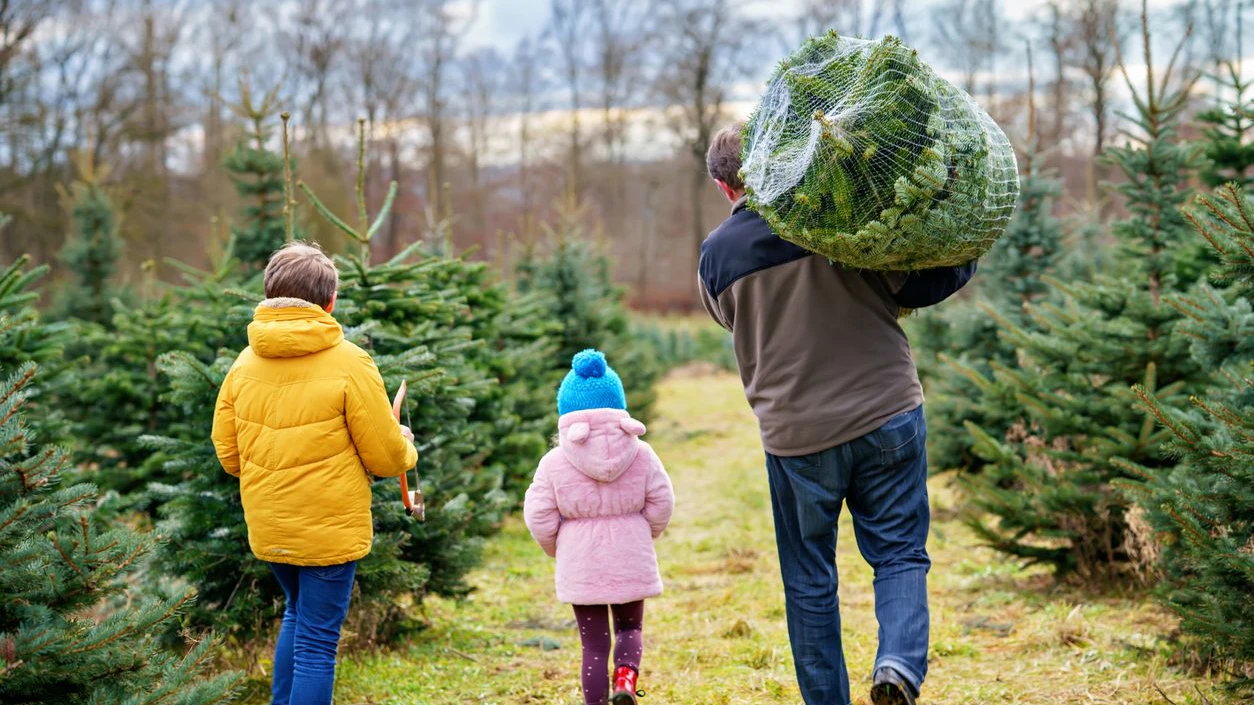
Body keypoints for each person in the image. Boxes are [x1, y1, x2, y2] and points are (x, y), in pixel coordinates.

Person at [697, 124, 977, 705]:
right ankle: (897, 666)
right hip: (887, 412)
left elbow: (732, 321)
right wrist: (965, 247)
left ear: (726, 188)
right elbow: (920, 283)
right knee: (899, 551)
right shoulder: (834, 220)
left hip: (797, 437)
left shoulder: (716, 256)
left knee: (808, 580)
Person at [211, 242, 418, 705]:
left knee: (297, 615)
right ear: (330, 302)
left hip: (270, 527)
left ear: (270, 296)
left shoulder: (243, 364)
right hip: (328, 532)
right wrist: (406, 447)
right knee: (317, 644)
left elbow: (228, 456)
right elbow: (386, 459)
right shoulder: (350, 362)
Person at [523, 349, 675, 705]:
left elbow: (538, 515)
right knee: (630, 628)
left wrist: (557, 546)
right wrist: (645, 532)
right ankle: (625, 680)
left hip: (581, 559)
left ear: (566, 411)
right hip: (631, 552)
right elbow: (663, 501)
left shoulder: (554, 462)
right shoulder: (643, 453)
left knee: (593, 644)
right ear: (619, 405)